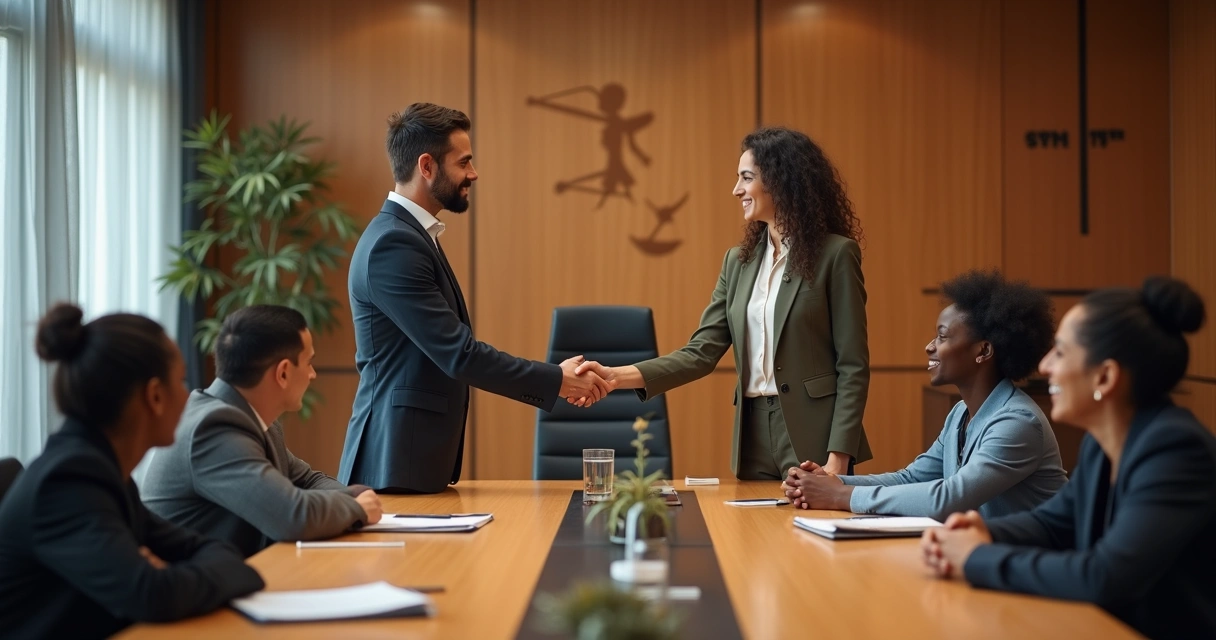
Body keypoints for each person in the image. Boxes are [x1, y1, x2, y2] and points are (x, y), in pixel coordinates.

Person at [338, 103, 614, 493]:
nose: (474, 173)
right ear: (427, 166)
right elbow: (459, 355)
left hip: (410, 464)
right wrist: (558, 381)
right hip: (392, 466)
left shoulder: (410, 236)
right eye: (464, 162)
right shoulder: (394, 244)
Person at [922, 277, 1216, 639]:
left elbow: (1104, 577)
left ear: (1105, 376)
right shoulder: (1101, 444)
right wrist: (979, 532)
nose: (1044, 366)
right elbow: (1052, 524)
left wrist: (973, 558)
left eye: (1060, 352)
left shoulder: (1176, 451)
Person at [576, 126, 871, 478]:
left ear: (781, 181)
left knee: (809, 534)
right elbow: (700, 353)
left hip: (816, 438)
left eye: (747, 178)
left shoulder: (836, 255)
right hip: (754, 436)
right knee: (749, 533)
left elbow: (852, 366)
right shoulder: (738, 263)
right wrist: (613, 377)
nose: (737, 190)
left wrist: (838, 458)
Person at [0, 304, 263, 639]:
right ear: (154, 396)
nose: (189, 395)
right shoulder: (68, 481)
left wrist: (177, 572)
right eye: (181, 381)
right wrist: (188, 574)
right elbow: (152, 595)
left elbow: (209, 551)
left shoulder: (99, 468)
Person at [782, 270, 1067, 520]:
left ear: (983, 351)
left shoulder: (1018, 422)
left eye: (942, 336)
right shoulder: (960, 414)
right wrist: (829, 481)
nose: (930, 347)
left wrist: (839, 496)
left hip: (1032, 567)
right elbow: (912, 478)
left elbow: (949, 499)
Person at [141, 305, 382, 557]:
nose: (313, 374)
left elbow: (306, 481)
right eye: (309, 362)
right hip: (191, 589)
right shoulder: (212, 428)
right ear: (283, 373)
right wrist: (355, 507)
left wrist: (355, 496)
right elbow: (291, 516)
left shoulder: (249, 417)